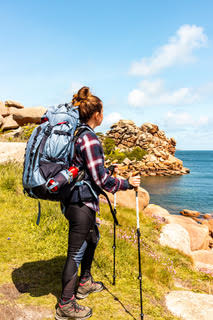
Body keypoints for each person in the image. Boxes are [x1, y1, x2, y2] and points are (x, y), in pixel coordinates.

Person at [55, 87, 140, 320]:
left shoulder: (76, 134)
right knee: (76, 252)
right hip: (80, 202)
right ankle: (66, 304)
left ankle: (84, 282)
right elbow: (101, 179)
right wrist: (126, 183)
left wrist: (107, 170)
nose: (103, 115)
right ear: (96, 114)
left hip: (74, 198)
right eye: (103, 111)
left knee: (93, 238)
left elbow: (90, 170)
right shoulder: (90, 138)